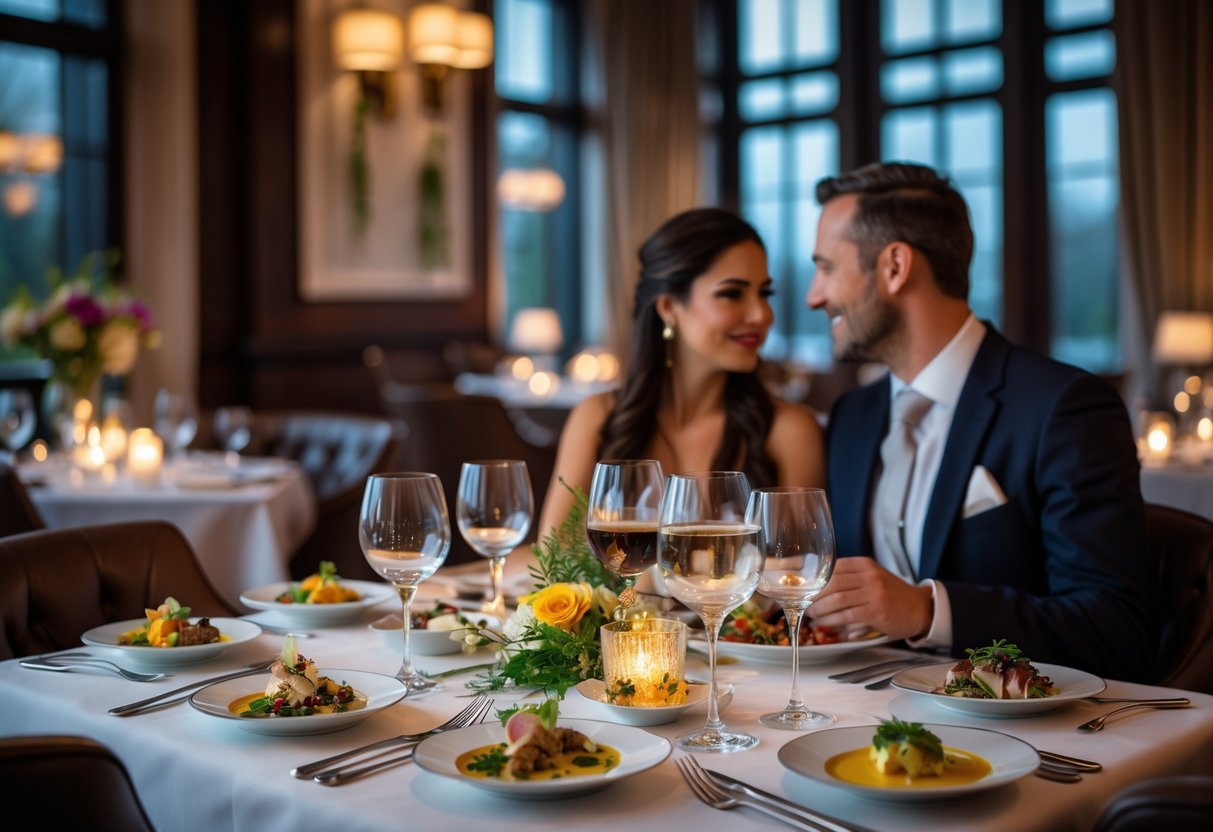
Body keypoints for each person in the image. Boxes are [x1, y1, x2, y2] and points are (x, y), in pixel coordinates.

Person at [804, 161, 1155, 682]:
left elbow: (1117, 629)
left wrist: (928, 610)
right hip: (859, 724)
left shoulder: (1065, 407)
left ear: (895, 266)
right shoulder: (854, 418)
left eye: (827, 268)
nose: (815, 295)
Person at [534, 206, 825, 539]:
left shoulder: (789, 430)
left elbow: (799, 573)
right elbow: (549, 562)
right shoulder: (598, 418)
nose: (761, 314)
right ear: (669, 307)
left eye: (765, 293)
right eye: (731, 294)